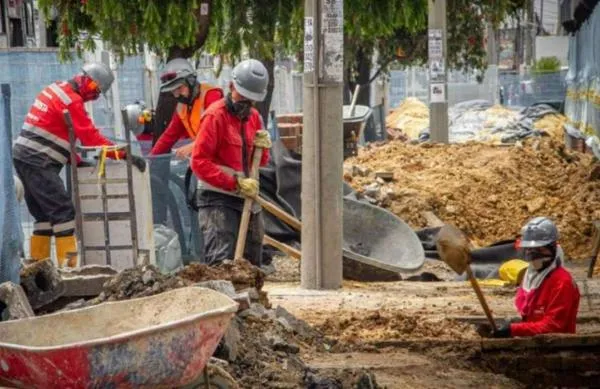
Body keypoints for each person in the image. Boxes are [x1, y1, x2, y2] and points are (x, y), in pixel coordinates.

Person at [12, 62, 146, 268]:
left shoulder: (55, 89)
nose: (94, 96)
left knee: (43, 217)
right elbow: (91, 138)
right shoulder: (72, 101)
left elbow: (56, 132)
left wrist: (78, 160)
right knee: (64, 214)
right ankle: (70, 270)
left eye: (97, 94)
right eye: (94, 90)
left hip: (24, 157)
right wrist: (123, 154)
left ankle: (37, 270)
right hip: (38, 161)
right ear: (86, 80)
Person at [190, 59, 272, 266]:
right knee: (222, 260)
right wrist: (234, 182)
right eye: (242, 97)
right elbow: (199, 162)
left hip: (247, 198)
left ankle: (251, 298)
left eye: (251, 99)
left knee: (252, 261)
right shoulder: (215, 116)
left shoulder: (254, 118)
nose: (246, 103)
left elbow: (259, 162)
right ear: (232, 87)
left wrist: (263, 148)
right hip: (217, 198)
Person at [487, 217, 580, 338]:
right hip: (533, 341)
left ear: (552, 247)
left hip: (556, 347)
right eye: (530, 249)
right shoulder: (531, 276)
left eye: (538, 249)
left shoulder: (562, 282)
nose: (533, 253)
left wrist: (513, 330)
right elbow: (524, 311)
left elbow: (553, 327)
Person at [149, 58, 223, 158]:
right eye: (173, 91)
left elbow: (219, 132)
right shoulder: (182, 106)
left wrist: (194, 146)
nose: (176, 95)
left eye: (179, 88)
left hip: (225, 158)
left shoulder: (211, 96)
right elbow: (169, 136)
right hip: (207, 157)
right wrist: (150, 158)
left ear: (191, 81)